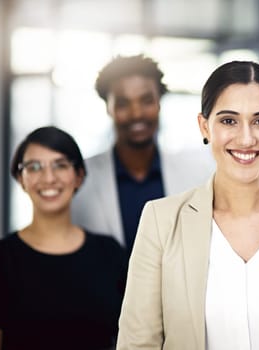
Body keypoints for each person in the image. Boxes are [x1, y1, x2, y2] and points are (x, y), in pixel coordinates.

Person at [116, 61, 259, 349]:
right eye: (229, 120)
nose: (246, 138)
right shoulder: (161, 221)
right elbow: (138, 343)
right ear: (205, 126)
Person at [0, 126, 127, 350]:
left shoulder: (110, 254)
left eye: (61, 165)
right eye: (34, 167)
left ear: (78, 176)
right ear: (21, 178)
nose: (48, 178)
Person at [71, 55, 214, 252]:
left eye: (146, 101)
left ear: (159, 103)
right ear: (108, 108)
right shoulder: (79, 179)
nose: (136, 113)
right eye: (123, 103)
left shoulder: (196, 176)